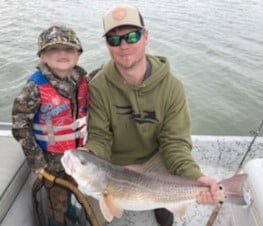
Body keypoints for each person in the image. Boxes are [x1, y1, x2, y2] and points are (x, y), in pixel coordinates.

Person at [85, 3, 218, 226]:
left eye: (132, 36)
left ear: (146, 36)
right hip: (116, 165)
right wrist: (88, 154)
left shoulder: (172, 87)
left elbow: (175, 143)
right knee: (95, 217)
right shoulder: (98, 85)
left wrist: (195, 176)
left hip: (156, 159)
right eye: (114, 40)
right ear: (107, 45)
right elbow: (100, 137)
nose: (124, 45)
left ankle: (164, 203)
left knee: (169, 198)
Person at [12, 25, 88, 226]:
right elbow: (20, 126)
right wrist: (36, 160)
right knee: (57, 204)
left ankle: (73, 214)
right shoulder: (34, 88)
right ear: (42, 56)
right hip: (51, 163)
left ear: (78, 55)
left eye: (69, 49)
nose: (62, 54)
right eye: (54, 49)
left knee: (76, 193)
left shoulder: (84, 81)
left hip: (79, 156)